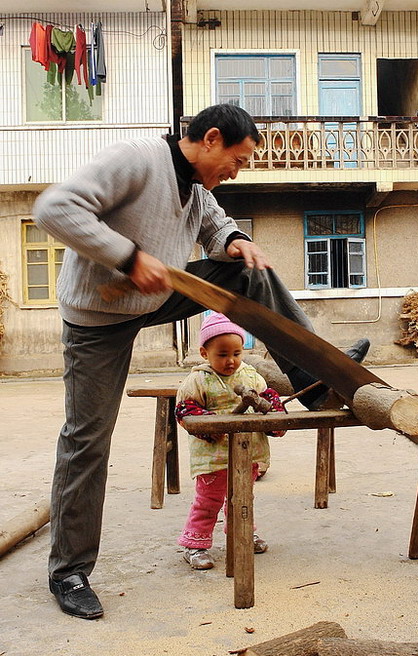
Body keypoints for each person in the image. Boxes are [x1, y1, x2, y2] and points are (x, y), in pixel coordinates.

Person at [34, 103, 369, 620]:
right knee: (87, 438)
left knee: (252, 273)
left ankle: (320, 381)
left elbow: (218, 226)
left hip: (157, 293)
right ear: (211, 138)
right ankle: (69, 572)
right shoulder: (137, 158)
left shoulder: (197, 187)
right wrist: (127, 256)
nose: (238, 170)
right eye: (238, 159)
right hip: (98, 315)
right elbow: (55, 208)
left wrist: (235, 242)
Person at [176, 312, 285, 570]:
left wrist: (274, 417)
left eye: (236, 353)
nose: (231, 361)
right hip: (214, 458)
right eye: (222, 355)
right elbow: (185, 411)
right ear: (204, 353)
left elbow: (268, 401)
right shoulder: (198, 379)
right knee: (208, 501)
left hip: (248, 453)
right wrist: (210, 426)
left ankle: (242, 532)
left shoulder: (251, 377)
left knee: (243, 497)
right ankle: (195, 545)